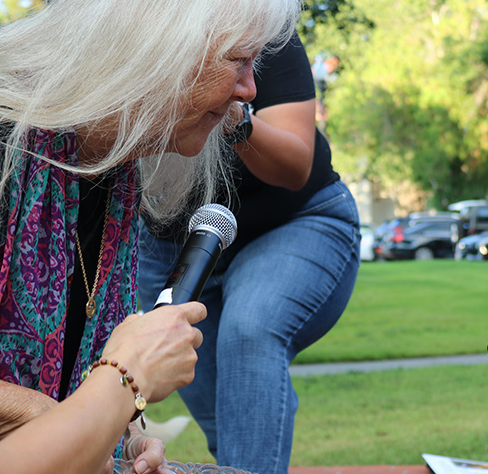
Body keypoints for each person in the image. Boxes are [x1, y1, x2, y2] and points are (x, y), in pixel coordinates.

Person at [0, 0, 301, 472]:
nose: (250, 89)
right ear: (160, 46)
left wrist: (129, 435)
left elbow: (101, 373)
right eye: (238, 60)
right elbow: (108, 383)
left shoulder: (118, 173)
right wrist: (77, 421)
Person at [137, 31, 361, 473]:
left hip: (296, 221)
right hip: (170, 242)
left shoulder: (267, 34)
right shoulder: (134, 34)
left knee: (250, 329)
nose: (249, 82)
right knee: (228, 421)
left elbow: (297, 166)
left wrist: (233, 115)